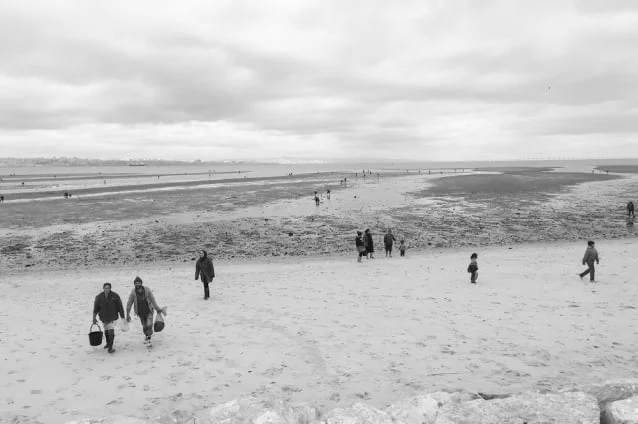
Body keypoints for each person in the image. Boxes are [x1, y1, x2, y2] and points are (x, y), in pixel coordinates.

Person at [126, 276, 166, 347]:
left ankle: (149, 340)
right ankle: (147, 335)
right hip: (140, 313)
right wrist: (127, 314)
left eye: (139, 283)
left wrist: (158, 309)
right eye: (136, 283)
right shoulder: (133, 292)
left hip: (149, 311)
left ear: (141, 283)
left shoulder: (147, 290)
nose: (137, 284)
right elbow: (129, 303)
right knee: (144, 327)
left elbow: (153, 300)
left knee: (149, 325)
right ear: (134, 284)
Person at [92, 283, 125, 353]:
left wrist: (122, 316)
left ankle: (110, 347)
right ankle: (108, 343)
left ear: (110, 288)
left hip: (113, 317)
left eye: (108, 288)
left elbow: (120, 307)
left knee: (110, 331)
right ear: (103, 288)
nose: (107, 289)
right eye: (105, 288)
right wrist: (94, 318)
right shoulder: (99, 297)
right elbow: (96, 308)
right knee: (106, 331)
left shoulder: (115, 296)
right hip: (103, 317)